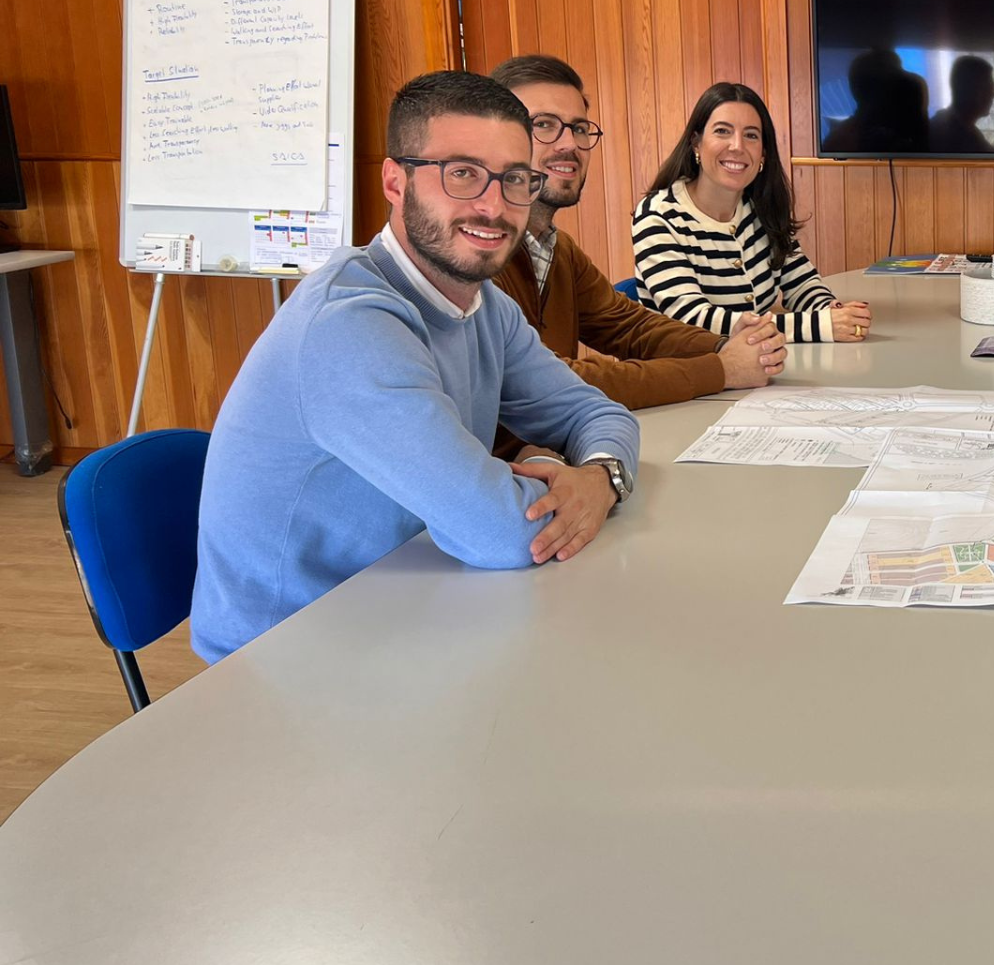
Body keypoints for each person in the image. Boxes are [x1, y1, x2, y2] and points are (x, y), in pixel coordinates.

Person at [190, 71, 642, 664]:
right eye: (462, 173)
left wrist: (601, 478)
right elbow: (504, 532)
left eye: (514, 179)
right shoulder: (347, 325)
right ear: (395, 182)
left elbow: (598, 414)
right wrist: (552, 479)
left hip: (414, 604)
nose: (494, 205)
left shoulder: (484, 305)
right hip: (286, 658)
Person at [487, 54, 785, 451]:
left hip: (564, 456)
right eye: (543, 124)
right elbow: (550, 382)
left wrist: (727, 346)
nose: (569, 144)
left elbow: (630, 326)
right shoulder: (479, 256)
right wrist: (721, 368)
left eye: (579, 128)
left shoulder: (558, 249)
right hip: (506, 475)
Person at [632, 82, 872, 343]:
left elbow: (801, 282)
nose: (737, 146)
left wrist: (830, 309)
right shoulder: (657, 216)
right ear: (696, 143)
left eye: (751, 135)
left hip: (758, 362)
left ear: (763, 154)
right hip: (687, 364)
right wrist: (820, 325)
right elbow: (693, 320)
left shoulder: (760, 208)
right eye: (722, 131)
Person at [928, 55, 994, 154]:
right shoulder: (947, 134)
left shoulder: (966, 128)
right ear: (968, 90)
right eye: (987, 89)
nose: (992, 95)